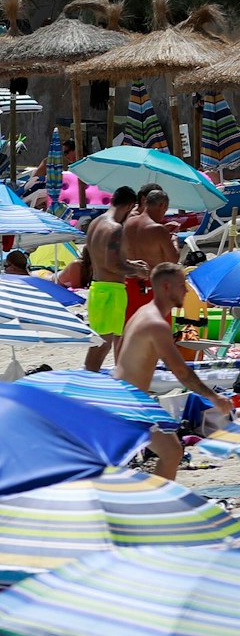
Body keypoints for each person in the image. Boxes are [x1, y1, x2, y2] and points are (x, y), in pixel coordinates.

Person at [118, 262, 223, 480]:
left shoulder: (143, 313)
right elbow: (181, 372)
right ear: (166, 287)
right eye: (181, 285)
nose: (186, 291)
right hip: (127, 401)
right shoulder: (155, 323)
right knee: (171, 452)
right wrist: (214, 397)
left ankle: (153, 503)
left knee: (170, 451)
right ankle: (156, 506)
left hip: (126, 396)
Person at [79, 186, 139, 370]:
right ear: (129, 206)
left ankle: (88, 378)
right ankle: (87, 381)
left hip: (97, 288)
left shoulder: (96, 223)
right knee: (103, 344)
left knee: (100, 342)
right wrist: (137, 270)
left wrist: (130, 263)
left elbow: (99, 258)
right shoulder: (115, 228)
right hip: (111, 290)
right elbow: (113, 265)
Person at [122, 182, 180, 327]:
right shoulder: (158, 230)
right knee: (158, 333)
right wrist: (173, 238)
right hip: (153, 286)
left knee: (130, 331)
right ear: (162, 206)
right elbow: (173, 259)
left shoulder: (128, 223)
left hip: (130, 284)